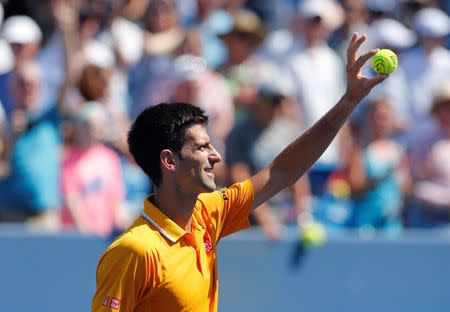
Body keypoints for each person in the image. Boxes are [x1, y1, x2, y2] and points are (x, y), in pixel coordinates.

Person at [91, 33, 387, 311]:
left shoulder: (208, 213)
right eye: (202, 148)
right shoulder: (134, 250)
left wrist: (348, 102)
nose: (216, 156)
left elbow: (282, 172)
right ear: (169, 161)